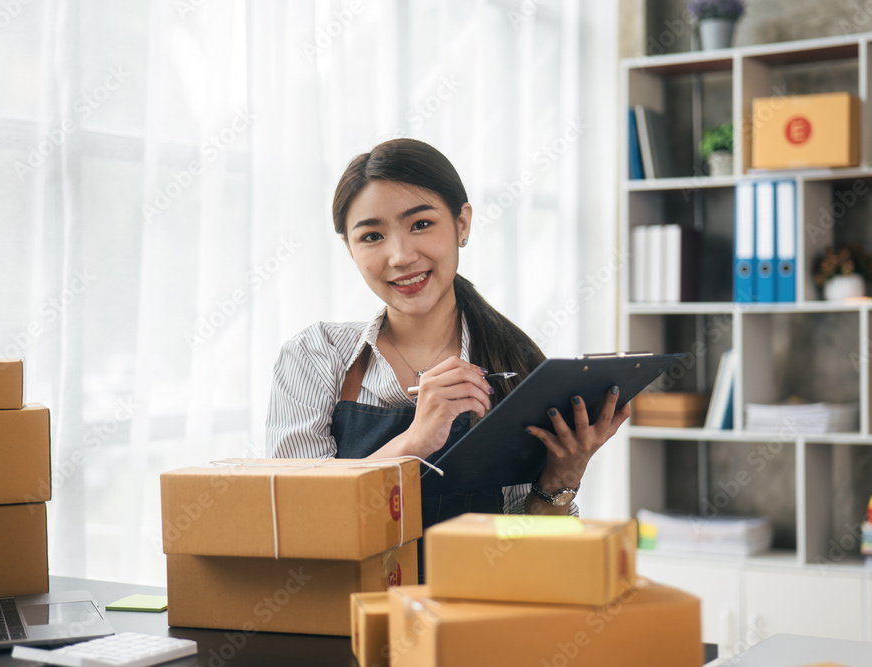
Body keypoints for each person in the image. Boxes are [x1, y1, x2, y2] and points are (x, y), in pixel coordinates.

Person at [265, 138, 630, 544]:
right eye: (371, 236)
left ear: (462, 223)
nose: (400, 256)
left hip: (472, 604)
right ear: (349, 249)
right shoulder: (316, 356)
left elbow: (525, 554)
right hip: (347, 607)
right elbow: (296, 521)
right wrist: (415, 442)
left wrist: (561, 479)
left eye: (421, 224)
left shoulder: (515, 366)